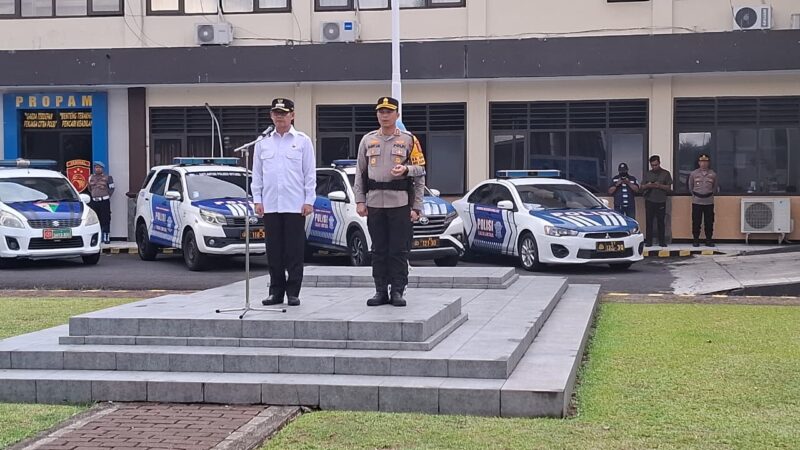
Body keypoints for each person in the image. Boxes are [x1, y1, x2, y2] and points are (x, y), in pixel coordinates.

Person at [353, 97, 426, 307]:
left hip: (399, 203)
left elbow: (421, 172)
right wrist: (360, 200)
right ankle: (380, 290)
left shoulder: (409, 140)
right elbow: (360, 172)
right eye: (381, 112)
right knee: (378, 250)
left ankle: (397, 290)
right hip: (375, 203)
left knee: (398, 250)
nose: (384, 116)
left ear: (397, 114)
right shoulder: (368, 140)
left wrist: (416, 205)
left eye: (389, 112)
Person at [251, 98, 316, 307]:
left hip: (295, 205)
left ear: (292, 115)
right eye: (276, 113)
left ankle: (293, 292)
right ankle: (276, 292)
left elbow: (309, 174)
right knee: (274, 251)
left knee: (294, 251)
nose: (280, 117)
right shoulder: (262, 142)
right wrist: (257, 199)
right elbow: (257, 175)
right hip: (271, 204)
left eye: (284, 113)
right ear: (271, 116)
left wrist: (309, 200)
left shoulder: (302, 141)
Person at [640, 155, 672, 247]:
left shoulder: (666, 173)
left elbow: (669, 188)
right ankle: (649, 241)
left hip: (661, 200)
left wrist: (659, 186)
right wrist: (648, 185)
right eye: (653, 165)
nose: (654, 167)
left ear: (659, 163)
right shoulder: (648, 174)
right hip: (649, 200)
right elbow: (641, 187)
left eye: (656, 165)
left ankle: (662, 241)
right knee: (649, 221)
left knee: (661, 222)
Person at [688, 153, 718, 247]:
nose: (704, 163)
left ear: (708, 163)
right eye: (702, 161)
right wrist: (696, 195)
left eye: (706, 161)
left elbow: (714, 188)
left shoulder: (713, 174)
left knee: (709, 222)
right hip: (697, 201)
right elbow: (690, 187)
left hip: (709, 201)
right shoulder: (694, 174)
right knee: (696, 222)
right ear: (699, 163)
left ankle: (708, 240)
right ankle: (696, 240)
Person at [88, 161, 114, 244]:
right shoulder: (90, 177)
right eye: (96, 167)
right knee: (95, 219)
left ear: (102, 169)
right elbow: (89, 188)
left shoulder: (108, 177)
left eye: (99, 167)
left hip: (104, 201)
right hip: (94, 202)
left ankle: (106, 236)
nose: (97, 169)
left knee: (106, 218)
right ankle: (97, 237)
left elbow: (111, 189)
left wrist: (106, 196)